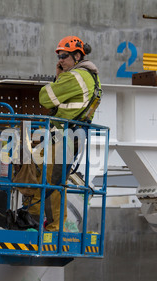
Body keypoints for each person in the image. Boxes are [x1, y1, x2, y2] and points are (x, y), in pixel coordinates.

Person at [24, 36, 102, 231]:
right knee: (47, 177)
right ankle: (33, 218)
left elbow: (45, 98)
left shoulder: (76, 76)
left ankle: (54, 227)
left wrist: (58, 79)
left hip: (64, 137)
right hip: (71, 136)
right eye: (59, 56)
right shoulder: (90, 76)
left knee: (52, 182)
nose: (60, 60)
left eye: (64, 56)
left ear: (77, 55)